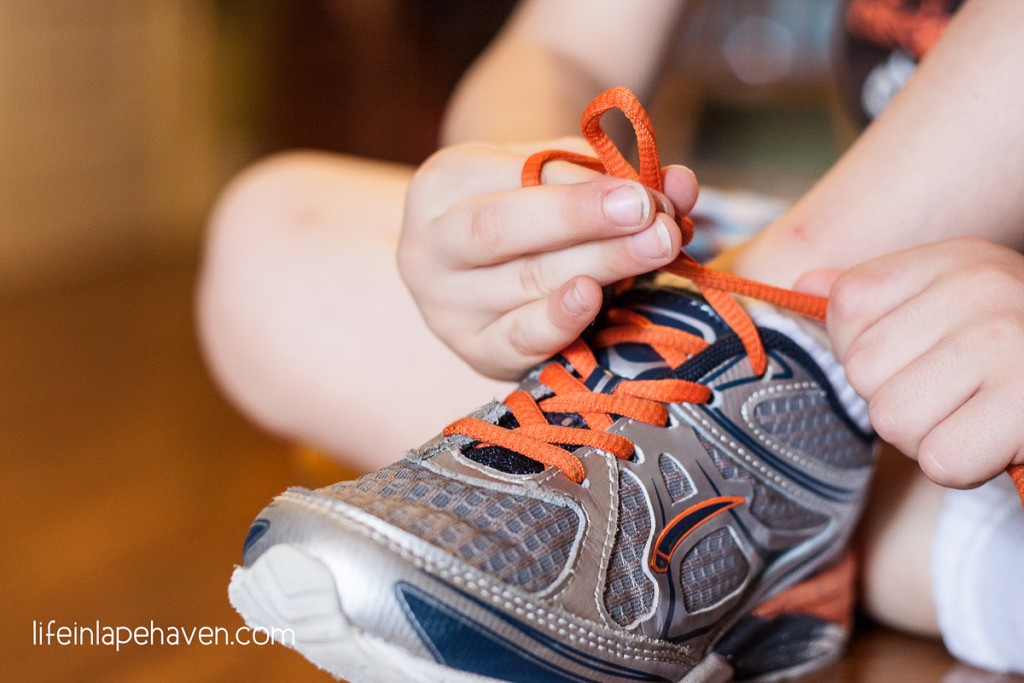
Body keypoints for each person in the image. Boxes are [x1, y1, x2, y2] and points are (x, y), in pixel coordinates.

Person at [198, 0, 1024, 674]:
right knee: (270, 229)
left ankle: (843, 531)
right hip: (870, 299)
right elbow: (562, 47)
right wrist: (532, 205)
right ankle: (768, 500)